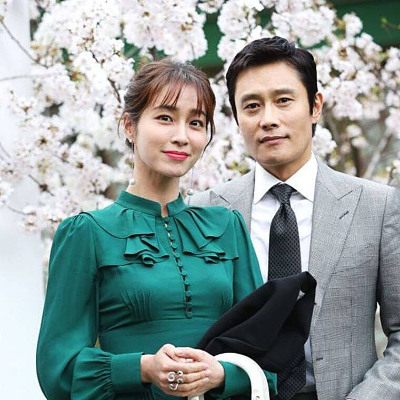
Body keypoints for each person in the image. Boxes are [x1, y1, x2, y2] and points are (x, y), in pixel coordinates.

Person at [36, 60, 278, 400]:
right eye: (165, 118)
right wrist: (144, 368)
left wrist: (220, 375)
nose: (181, 136)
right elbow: (58, 371)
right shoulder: (86, 234)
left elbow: (266, 357)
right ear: (129, 126)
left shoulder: (228, 227)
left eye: (196, 123)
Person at [189, 36, 400, 400]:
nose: (268, 119)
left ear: (315, 106)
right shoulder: (203, 211)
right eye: (252, 106)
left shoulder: (377, 206)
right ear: (237, 118)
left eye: (283, 100)